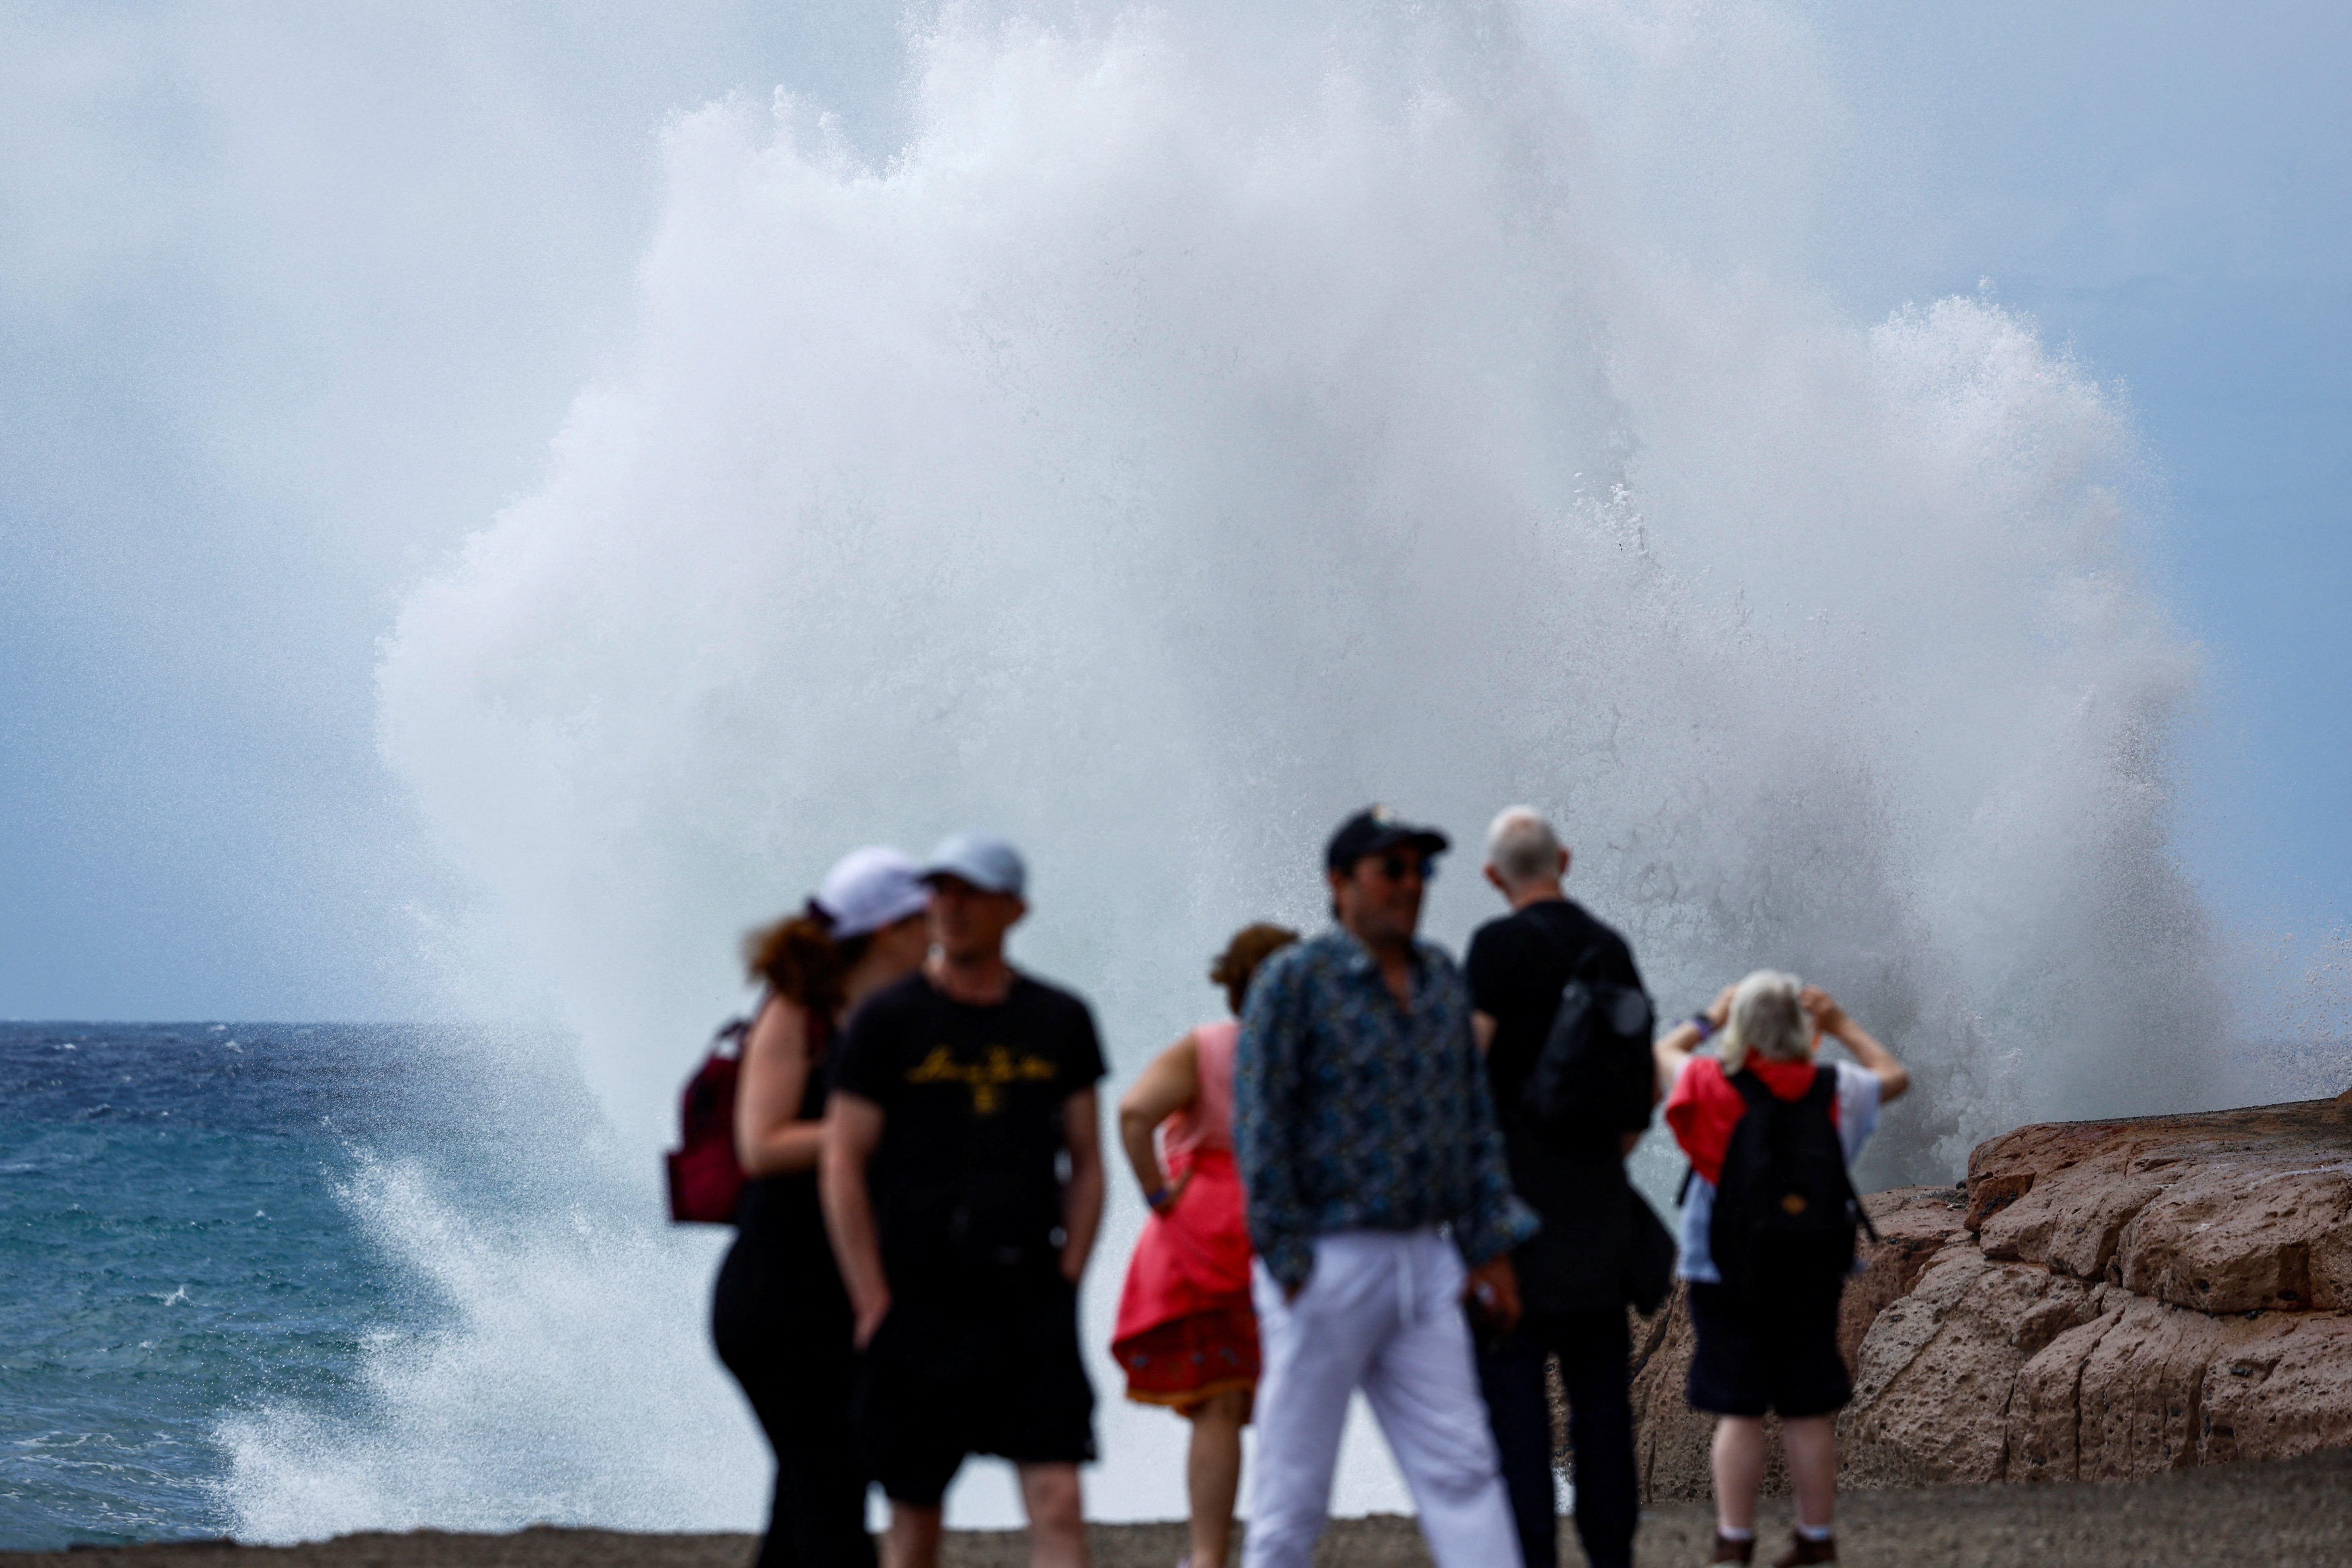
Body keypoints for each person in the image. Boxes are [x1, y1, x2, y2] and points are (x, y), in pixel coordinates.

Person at [1232, 805, 1539, 1568]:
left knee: (1465, 1468)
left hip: (1425, 1263)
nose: (1410, 884)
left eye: (1421, 869)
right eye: (1390, 869)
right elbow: (1260, 1124)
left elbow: (1470, 1121)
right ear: (1341, 884)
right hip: (1326, 1264)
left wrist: (1487, 1247)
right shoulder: (1293, 983)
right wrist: (1287, 1259)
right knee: (1292, 1488)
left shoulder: (1439, 977)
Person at [821, 832, 1107, 1568]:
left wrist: (1068, 1279)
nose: (949, 906)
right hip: (918, 1298)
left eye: (969, 892)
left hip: (1026, 1294)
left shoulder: (1059, 1019)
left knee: (1058, 1502)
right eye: (939, 890)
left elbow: (1087, 1162)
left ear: (1014, 908)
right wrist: (871, 1298)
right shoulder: (890, 1022)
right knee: (915, 1517)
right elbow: (843, 1161)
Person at [712, 846, 933, 1568]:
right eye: (922, 917)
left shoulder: (899, 1012)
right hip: (775, 1297)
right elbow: (762, 1143)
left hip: (840, 1291)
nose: (937, 929)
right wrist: (880, 1127)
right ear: (889, 929)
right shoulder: (798, 1009)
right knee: (831, 1483)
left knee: (810, 1489)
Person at [1654, 972, 1911, 1568]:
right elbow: (1894, 1078)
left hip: (1721, 1269)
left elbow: (1661, 1055)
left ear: (1737, 1032)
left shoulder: (1707, 1081)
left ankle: (1733, 1544)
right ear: (1807, 1033)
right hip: (1810, 1267)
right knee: (1804, 1407)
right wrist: (1841, 1023)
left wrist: (1707, 1019)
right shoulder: (1833, 1088)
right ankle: (1815, 1541)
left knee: (1738, 1411)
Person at [1463, 807, 1652, 1568]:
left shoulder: (1494, 947)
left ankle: (1530, 1555)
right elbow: (1639, 1096)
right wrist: (1600, 1164)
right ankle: (1611, 1557)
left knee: (1515, 1405)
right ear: (1564, 860)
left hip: (1514, 1217)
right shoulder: (1608, 948)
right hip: (1597, 1213)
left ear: (1490, 876)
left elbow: (1468, 1076)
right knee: (1602, 1403)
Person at [1110, 922, 1300, 1568]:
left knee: (1219, 1404)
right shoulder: (1313, 1055)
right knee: (1289, 1400)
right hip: (1286, 1228)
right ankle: (1280, 1548)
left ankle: (1208, 1555)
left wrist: (1159, 1193)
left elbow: (1135, 1113)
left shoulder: (1208, 1049)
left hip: (1205, 1233)